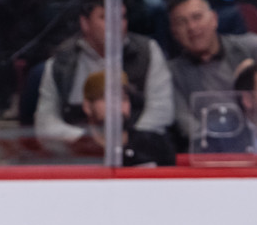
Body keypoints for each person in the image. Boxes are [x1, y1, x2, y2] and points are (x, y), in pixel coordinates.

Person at [32, 0, 174, 143]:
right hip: (79, 156)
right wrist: (88, 142)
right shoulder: (61, 61)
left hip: (137, 154)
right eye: (106, 18)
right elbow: (45, 123)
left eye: (122, 17)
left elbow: (161, 112)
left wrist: (129, 143)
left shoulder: (148, 51)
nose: (117, 25)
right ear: (85, 23)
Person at [167, 0, 257, 146]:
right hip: (212, 149)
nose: (192, 27)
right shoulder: (172, 72)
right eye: (182, 22)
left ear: (214, 19)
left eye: (197, 17)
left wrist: (253, 77)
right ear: (174, 33)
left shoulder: (253, 46)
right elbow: (186, 124)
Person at [48, 70, 176, 166]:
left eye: (123, 99)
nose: (117, 106)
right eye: (107, 98)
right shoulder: (74, 155)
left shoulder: (156, 146)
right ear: (87, 106)